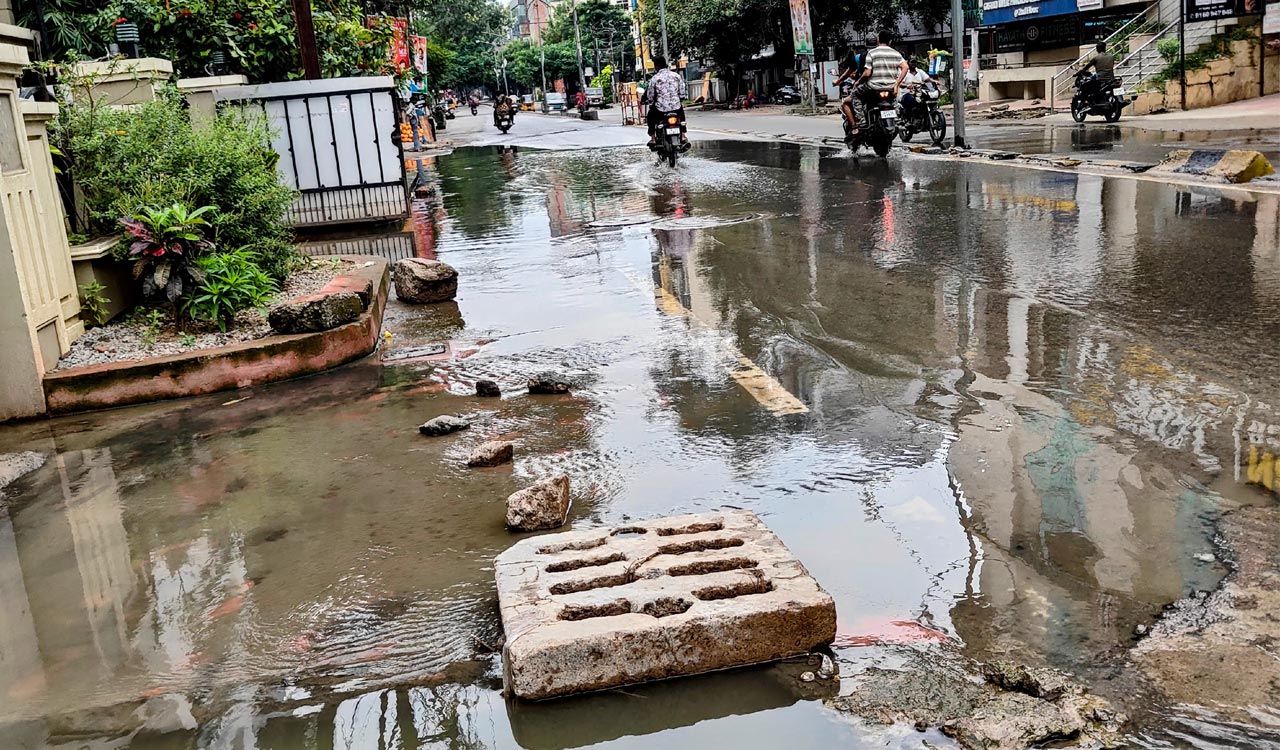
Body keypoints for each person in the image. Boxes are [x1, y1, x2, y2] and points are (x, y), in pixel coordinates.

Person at [850, 30, 908, 135]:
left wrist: (858, 82)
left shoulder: (872, 53)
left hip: (873, 88)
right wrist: (897, 83)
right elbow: (905, 67)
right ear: (890, 42)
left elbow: (867, 73)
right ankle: (898, 118)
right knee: (894, 101)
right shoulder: (896, 53)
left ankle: (862, 119)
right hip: (891, 88)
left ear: (878, 41)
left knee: (855, 95)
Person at [645, 55, 687, 146]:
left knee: (650, 117)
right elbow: (682, 91)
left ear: (656, 66)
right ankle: (683, 136)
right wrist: (680, 98)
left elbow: (650, 95)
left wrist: (650, 102)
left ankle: (653, 139)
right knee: (682, 117)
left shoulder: (654, 79)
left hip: (660, 109)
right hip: (676, 106)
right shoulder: (676, 76)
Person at [832, 47, 866, 131]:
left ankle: (856, 125)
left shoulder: (859, 58)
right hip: (886, 87)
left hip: (867, 88)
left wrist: (838, 81)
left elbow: (849, 72)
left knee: (846, 103)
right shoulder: (887, 54)